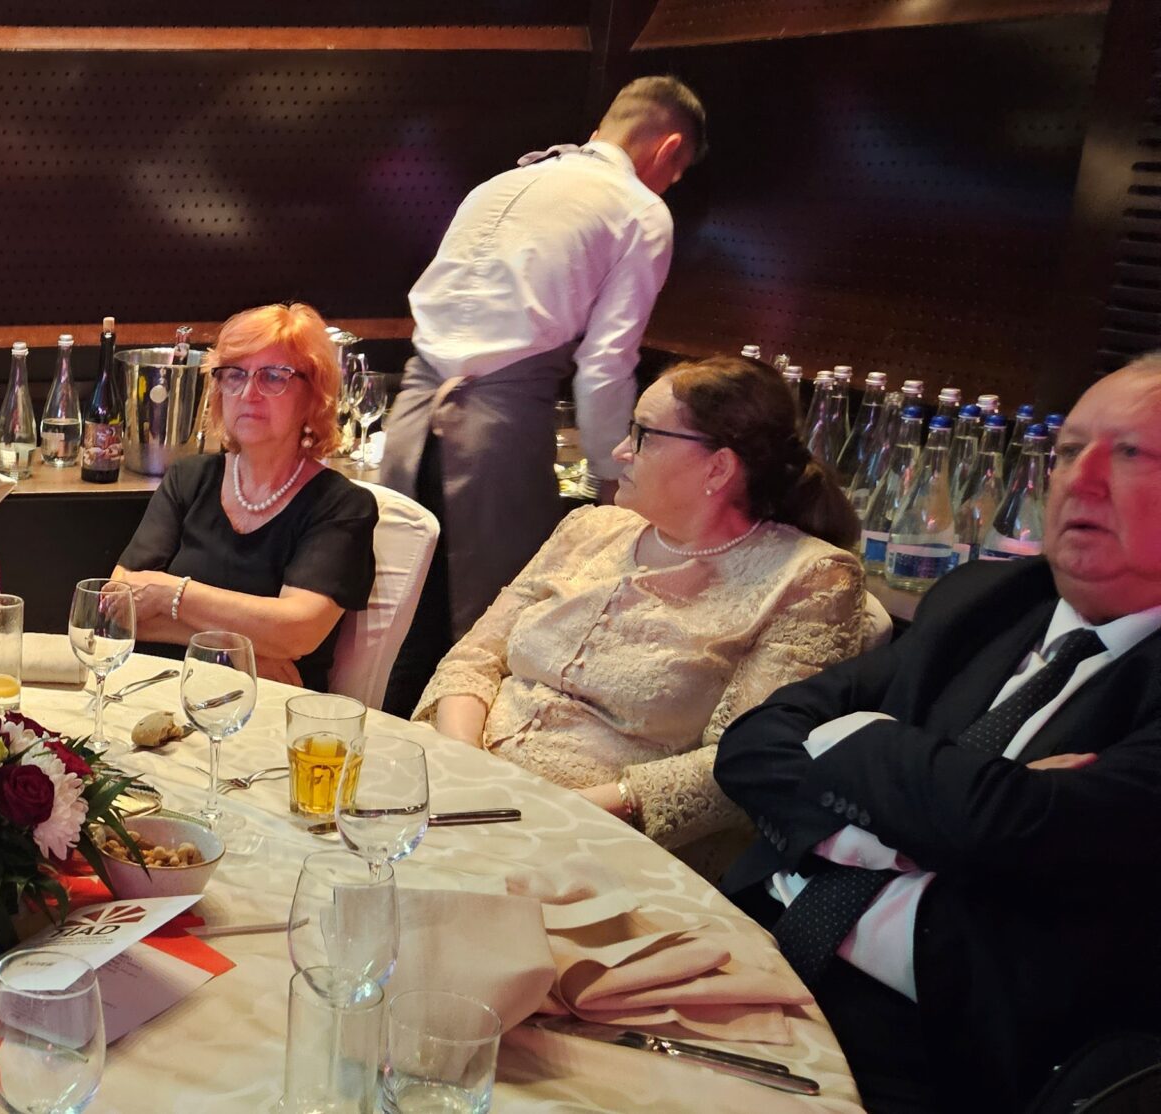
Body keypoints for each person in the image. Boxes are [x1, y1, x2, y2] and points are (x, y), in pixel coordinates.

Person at [714, 359, 1161, 1113]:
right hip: (756, 935)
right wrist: (927, 823)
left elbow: (1008, 822)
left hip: (937, 1050)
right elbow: (755, 742)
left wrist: (858, 743)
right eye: (1068, 451)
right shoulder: (987, 598)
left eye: (1130, 453)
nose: (1078, 482)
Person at [416, 357, 873, 865]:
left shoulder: (810, 579)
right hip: (463, 790)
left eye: (643, 435)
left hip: (602, 845)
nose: (619, 451)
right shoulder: (591, 528)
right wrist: (468, 767)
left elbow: (739, 765)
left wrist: (546, 816)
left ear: (718, 467)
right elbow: (474, 658)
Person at [382, 76, 707, 702]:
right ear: (669, 149)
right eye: (678, 173)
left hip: (409, 423)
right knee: (485, 639)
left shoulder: (499, 185)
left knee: (398, 628)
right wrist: (615, 479)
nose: (670, 186)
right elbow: (606, 364)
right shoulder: (640, 212)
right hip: (495, 437)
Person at [112, 304, 377, 690]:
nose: (249, 393)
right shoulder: (190, 478)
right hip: (160, 689)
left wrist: (170, 594)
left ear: (313, 395)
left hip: (270, 707)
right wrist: (240, 649)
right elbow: (118, 601)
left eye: (273, 376)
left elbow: (296, 630)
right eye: (235, 374)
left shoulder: (342, 506)